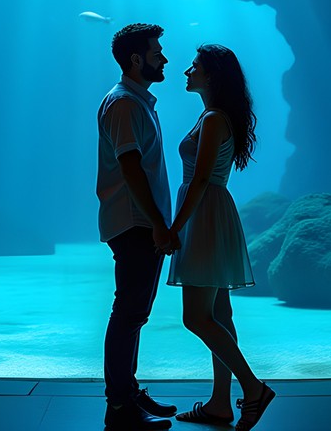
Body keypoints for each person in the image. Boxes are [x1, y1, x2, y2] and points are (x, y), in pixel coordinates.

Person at [168, 44, 276, 431]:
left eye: (194, 66)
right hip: (211, 213)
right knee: (219, 314)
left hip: (204, 215)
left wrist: (173, 228)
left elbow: (200, 179)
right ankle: (219, 404)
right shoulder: (212, 116)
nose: (187, 71)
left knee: (196, 317)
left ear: (211, 74)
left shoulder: (213, 119)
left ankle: (253, 389)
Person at [96, 23, 181, 431]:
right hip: (135, 223)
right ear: (135, 59)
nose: (164, 59)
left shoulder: (137, 102)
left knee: (134, 314)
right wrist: (158, 224)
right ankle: (119, 405)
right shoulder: (125, 104)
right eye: (156, 52)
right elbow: (130, 168)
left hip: (140, 222)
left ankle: (128, 392)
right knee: (129, 313)